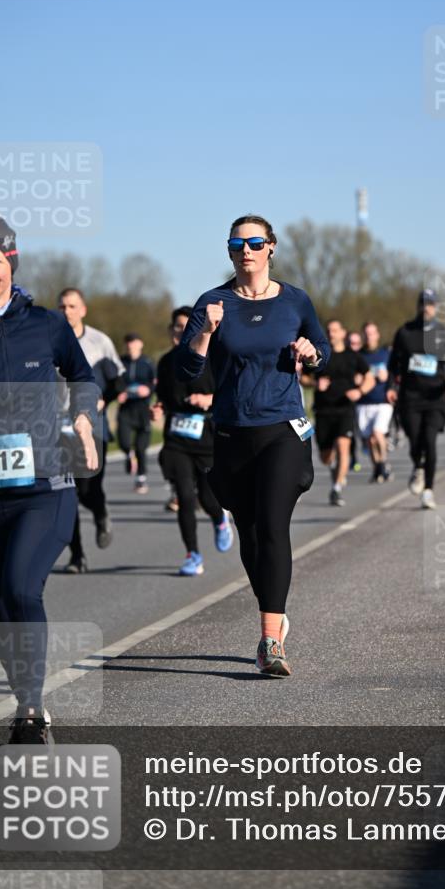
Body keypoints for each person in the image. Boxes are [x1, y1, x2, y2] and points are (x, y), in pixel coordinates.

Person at [0, 216, 99, 744]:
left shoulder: (46, 325)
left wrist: (84, 421)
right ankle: (25, 697)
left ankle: (31, 711)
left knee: (20, 587)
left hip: (45, 488)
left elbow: (83, 376)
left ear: (11, 263)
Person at [176, 214, 330, 676]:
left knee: (273, 524)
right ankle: (276, 615)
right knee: (249, 533)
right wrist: (205, 331)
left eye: (255, 242)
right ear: (229, 251)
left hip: (283, 429)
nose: (247, 250)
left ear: (271, 248)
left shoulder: (295, 301)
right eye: (237, 243)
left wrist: (311, 353)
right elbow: (186, 370)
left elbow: (322, 349)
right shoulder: (212, 302)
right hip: (231, 432)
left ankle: (269, 640)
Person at [153, 306, 233, 576]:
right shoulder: (166, 362)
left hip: (208, 436)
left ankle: (220, 519)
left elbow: (231, 392)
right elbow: (163, 396)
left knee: (208, 499)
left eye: (186, 326)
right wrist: (159, 408)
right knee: (185, 497)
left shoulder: (214, 358)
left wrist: (208, 399)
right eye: (176, 326)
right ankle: (193, 555)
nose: (180, 331)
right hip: (177, 439)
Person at [58, 288, 125, 573]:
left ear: (82, 309)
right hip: (57, 425)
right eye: (62, 307)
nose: (67, 312)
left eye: (72, 306)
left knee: (88, 489)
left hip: (92, 425)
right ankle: (77, 556)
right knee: (68, 494)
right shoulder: (47, 341)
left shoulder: (100, 342)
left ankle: (100, 512)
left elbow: (118, 382)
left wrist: (103, 400)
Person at [387, 289, 445, 508]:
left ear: (435, 307)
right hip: (410, 397)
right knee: (415, 440)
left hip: (435, 398)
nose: (426, 307)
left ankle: (428, 490)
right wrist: (391, 387)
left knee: (430, 440)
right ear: (418, 306)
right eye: (423, 303)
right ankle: (417, 466)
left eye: (430, 304)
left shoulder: (443, 333)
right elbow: (393, 364)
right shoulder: (405, 332)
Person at [305, 319, 374, 506]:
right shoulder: (320, 355)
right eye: (329, 330)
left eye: (335, 330)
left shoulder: (353, 356)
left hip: (345, 409)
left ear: (343, 333)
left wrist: (359, 391)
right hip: (323, 410)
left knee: (344, 446)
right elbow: (304, 376)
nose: (332, 333)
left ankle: (336, 489)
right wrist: (314, 384)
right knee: (325, 457)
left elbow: (369, 377)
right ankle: (334, 468)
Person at [117, 333, 156, 494]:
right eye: (128, 343)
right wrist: (120, 392)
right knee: (124, 441)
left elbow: (155, 383)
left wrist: (148, 389)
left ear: (141, 344)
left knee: (141, 446)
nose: (131, 346)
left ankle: (141, 479)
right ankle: (128, 454)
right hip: (126, 409)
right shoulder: (120, 362)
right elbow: (115, 382)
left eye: (134, 343)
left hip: (143, 409)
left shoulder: (147, 363)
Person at [357, 322, 393, 483]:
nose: (369, 336)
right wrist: (357, 380)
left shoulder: (385, 354)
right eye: (366, 333)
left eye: (372, 333)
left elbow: (394, 374)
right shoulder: (359, 356)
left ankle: (383, 464)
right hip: (364, 403)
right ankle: (377, 468)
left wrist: (389, 380)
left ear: (377, 335)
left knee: (378, 433)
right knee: (369, 440)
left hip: (382, 401)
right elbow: (353, 376)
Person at [346, 330, 364, 472]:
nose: (354, 346)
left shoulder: (363, 357)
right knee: (350, 430)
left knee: (364, 431)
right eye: (351, 343)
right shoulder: (346, 356)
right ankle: (353, 457)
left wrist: (362, 384)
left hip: (367, 401)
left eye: (357, 343)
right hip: (349, 402)